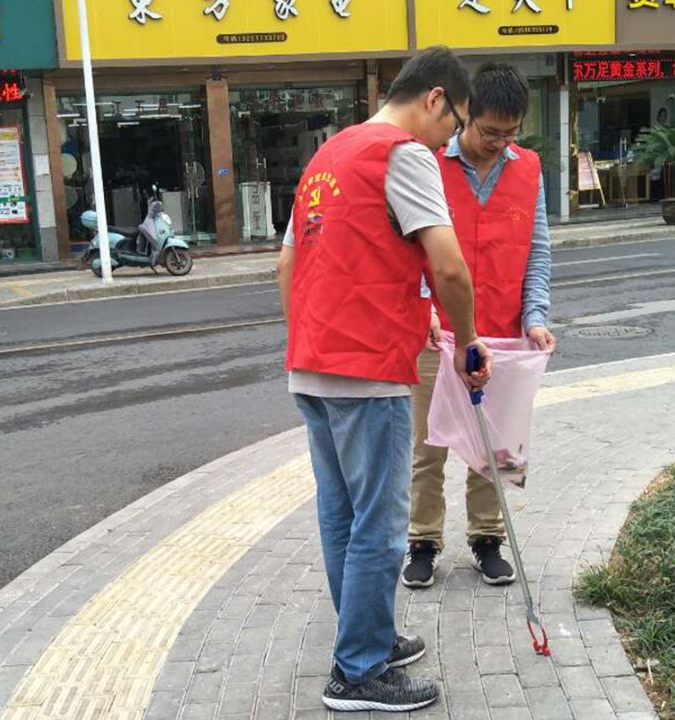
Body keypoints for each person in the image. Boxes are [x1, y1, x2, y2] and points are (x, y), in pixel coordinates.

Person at [278, 46, 491, 712]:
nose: (449, 138)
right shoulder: (405, 155)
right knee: (381, 526)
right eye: (453, 123)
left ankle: (364, 637)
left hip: (311, 367)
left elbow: (289, 265)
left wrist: (327, 335)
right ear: (435, 98)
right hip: (368, 374)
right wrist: (467, 341)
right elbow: (450, 268)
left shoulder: (327, 157)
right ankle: (358, 672)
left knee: (342, 515)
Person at [401, 63, 556, 592]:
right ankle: (423, 540)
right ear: (466, 115)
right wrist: (422, 304)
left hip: (502, 335)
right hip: (435, 333)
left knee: (495, 445)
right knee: (429, 444)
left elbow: (537, 253)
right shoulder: (428, 165)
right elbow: (409, 248)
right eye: (490, 132)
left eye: (510, 134)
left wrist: (535, 318)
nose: (499, 144)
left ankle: (487, 538)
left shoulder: (528, 169)